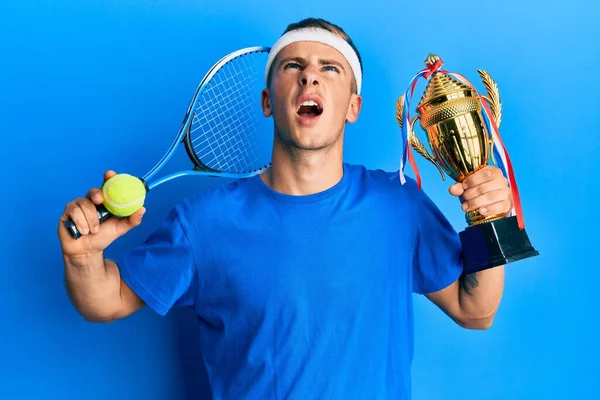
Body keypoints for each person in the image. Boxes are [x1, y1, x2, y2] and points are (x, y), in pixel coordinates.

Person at [58, 17, 512, 400]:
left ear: (353, 107)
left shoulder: (399, 205)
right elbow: (108, 301)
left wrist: (492, 219)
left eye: (329, 68)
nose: (309, 76)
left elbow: (476, 311)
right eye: (293, 65)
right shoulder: (203, 222)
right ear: (267, 100)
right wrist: (82, 259)